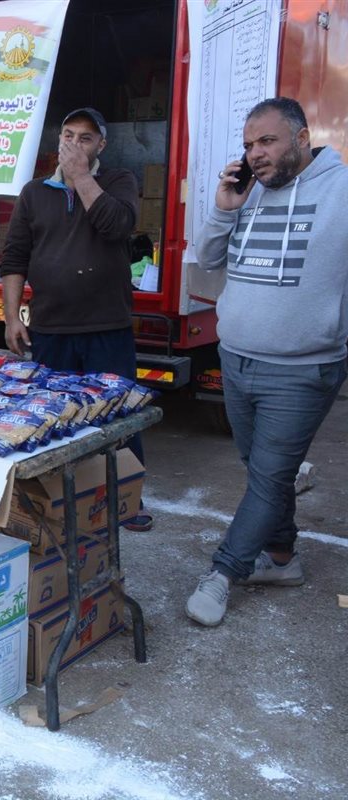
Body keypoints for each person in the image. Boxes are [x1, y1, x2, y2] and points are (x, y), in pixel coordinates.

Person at [185, 97, 348, 627]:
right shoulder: (249, 192)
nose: (255, 154)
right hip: (236, 359)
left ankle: (224, 571)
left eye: (268, 141)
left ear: (302, 139)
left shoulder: (341, 192)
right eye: (249, 144)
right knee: (264, 473)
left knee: (270, 474)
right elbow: (207, 260)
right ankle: (281, 559)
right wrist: (224, 208)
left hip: (302, 370)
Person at [0, 107, 153, 531]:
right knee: (52, 417)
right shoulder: (34, 192)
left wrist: (81, 176)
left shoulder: (118, 181)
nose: (74, 144)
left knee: (118, 416)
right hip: (51, 328)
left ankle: (128, 500)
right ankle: (57, 500)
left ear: (101, 144)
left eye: (85, 138)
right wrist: (11, 318)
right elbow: (14, 258)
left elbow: (116, 226)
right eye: (68, 135)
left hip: (107, 326)